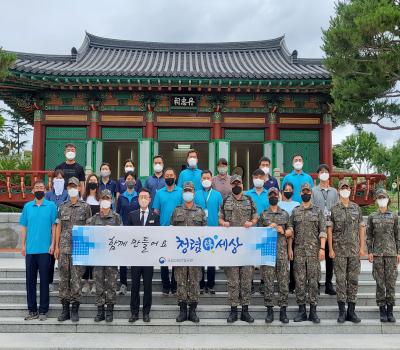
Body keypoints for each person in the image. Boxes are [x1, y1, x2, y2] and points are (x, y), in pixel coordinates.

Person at [219, 174, 258, 323]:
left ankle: (245, 311)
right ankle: (234, 310)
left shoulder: (249, 200)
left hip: (247, 247)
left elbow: (256, 216)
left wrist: (252, 222)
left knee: (246, 280)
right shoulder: (226, 201)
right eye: (234, 183)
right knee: (233, 280)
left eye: (239, 183)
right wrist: (223, 223)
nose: (236, 185)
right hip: (232, 249)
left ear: (242, 184)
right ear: (231, 185)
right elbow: (220, 217)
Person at [54, 177, 92, 323]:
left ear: (79, 188)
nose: (72, 189)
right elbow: (58, 227)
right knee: (64, 279)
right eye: (69, 186)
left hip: (79, 248)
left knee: (76, 279)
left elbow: (89, 228)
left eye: (74, 186)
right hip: (63, 248)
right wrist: (56, 246)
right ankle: (65, 309)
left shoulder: (85, 207)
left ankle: (75, 308)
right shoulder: (62, 206)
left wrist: (87, 248)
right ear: (67, 189)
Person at [328, 179, 365, 323]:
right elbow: (329, 230)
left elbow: (361, 228)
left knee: (353, 280)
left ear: (350, 190)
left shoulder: (356, 208)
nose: (345, 190)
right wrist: (330, 248)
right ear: (338, 190)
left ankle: (352, 311)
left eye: (347, 187)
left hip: (354, 250)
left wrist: (362, 248)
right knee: (341, 281)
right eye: (342, 187)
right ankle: (342, 311)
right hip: (339, 251)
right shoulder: (334, 209)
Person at [288, 183, 326, 324]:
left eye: (307, 191)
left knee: (314, 282)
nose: (305, 193)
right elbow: (291, 231)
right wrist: (290, 249)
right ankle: (302, 311)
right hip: (298, 252)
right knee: (300, 282)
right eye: (303, 191)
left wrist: (322, 249)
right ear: (300, 193)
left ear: (311, 193)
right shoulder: (295, 211)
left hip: (313, 253)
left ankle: (313, 312)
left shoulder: (318, 211)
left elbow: (322, 231)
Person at [20, 180, 57, 321]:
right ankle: (32, 310)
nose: (39, 189)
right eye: (37, 187)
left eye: (41, 187)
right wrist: (23, 245)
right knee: (30, 281)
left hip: (45, 250)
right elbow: (24, 227)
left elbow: (54, 227)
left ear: (45, 190)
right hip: (30, 250)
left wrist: (53, 244)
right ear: (33, 190)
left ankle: (43, 310)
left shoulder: (51, 206)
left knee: (44, 281)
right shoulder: (27, 206)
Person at [171, 181, 207, 323]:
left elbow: (205, 232)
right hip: (180, 254)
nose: (188, 193)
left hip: (195, 254)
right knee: (180, 280)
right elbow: (171, 230)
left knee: (194, 281)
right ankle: (182, 310)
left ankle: (192, 310)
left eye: (190, 191)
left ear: (193, 193)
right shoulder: (176, 211)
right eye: (185, 190)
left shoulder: (200, 211)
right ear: (183, 193)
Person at [87, 189, 122, 323]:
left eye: (108, 198)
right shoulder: (93, 219)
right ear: (100, 201)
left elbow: (122, 236)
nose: (106, 200)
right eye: (103, 198)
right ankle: (100, 310)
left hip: (112, 257)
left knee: (111, 284)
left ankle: (109, 310)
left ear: (111, 200)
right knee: (99, 283)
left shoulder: (117, 217)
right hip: (98, 257)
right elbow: (87, 235)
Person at [258, 187, 291, 323]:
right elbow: (258, 234)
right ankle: (270, 310)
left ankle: (283, 310)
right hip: (268, 253)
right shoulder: (264, 214)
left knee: (283, 282)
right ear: (268, 197)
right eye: (271, 195)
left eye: (275, 195)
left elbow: (291, 232)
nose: (273, 197)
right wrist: (267, 228)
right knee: (269, 283)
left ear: (279, 196)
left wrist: (282, 230)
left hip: (282, 253)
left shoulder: (284, 214)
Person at [367, 189, 400, 323]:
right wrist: (370, 251)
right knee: (380, 283)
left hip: (391, 254)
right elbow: (369, 236)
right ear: (376, 200)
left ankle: (390, 310)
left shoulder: (394, 216)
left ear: (388, 199)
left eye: (384, 197)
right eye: (379, 198)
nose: (382, 200)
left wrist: (399, 252)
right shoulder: (372, 216)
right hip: (378, 254)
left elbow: (398, 235)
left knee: (391, 283)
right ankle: (382, 309)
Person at [127, 188, 160, 323]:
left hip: (148, 258)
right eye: (141, 197)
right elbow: (127, 235)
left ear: (150, 199)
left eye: (146, 197)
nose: (143, 199)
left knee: (147, 286)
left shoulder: (155, 216)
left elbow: (157, 236)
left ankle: (146, 312)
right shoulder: (132, 215)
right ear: (138, 199)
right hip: (135, 257)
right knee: (134, 286)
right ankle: (134, 313)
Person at [152, 167, 182, 295]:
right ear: (164, 178)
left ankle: (174, 285)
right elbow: (156, 211)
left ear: (175, 177)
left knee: (176, 259)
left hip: (178, 230)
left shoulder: (181, 191)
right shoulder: (159, 193)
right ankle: (165, 286)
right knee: (163, 259)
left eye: (171, 175)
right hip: (163, 230)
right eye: (167, 175)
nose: (169, 177)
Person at [311, 164, 339, 296]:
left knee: (330, 256)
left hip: (331, 228)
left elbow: (338, 208)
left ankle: (329, 283)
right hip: (317, 228)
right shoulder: (313, 191)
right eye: (321, 171)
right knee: (316, 256)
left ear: (329, 174)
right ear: (318, 175)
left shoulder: (334, 191)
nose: (324, 173)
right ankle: (315, 283)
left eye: (326, 171)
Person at [194, 170, 223, 294]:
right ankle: (200, 285)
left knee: (211, 259)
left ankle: (211, 285)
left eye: (208, 178)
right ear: (201, 180)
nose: (206, 180)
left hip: (213, 230)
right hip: (199, 231)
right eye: (204, 178)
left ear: (212, 180)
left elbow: (221, 213)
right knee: (200, 259)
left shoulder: (217, 195)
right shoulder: (196, 194)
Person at [116, 171, 140, 296]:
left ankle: (136, 283)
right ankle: (123, 284)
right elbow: (117, 214)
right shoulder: (121, 197)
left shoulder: (139, 196)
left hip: (136, 233)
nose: (130, 180)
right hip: (124, 232)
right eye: (128, 178)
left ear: (135, 182)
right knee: (123, 259)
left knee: (136, 259)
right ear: (125, 182)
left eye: (132, 178)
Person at [45, 169, 69, 292]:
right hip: (51, 229)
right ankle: (49, 281)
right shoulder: (49, 195)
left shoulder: (67, 194)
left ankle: (64, 282)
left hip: (64, 229)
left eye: (61, 178)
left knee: (64, 259)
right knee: (50, 258)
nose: (59, 180)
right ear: (53, 180)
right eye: (57, 178)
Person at [278, 182, 300, 294]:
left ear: (293, 191)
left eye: (289, 189)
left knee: (293, 261)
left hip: (294, 235)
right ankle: (282, 283)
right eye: (285, 189)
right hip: (281, 235)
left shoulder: (297, 204)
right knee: (282, 262)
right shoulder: (279, 204)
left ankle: (292, 284)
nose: (287, 191)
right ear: (282, 191)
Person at [81, 174, 101, 295]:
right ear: (88, 183)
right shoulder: (83, 198)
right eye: (91, 180)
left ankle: (94, 283)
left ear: (98, 183)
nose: (93, 182)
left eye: (95, 180)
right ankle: (86, 283)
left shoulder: (100, 199)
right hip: (85, 231)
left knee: (95, 259)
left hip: (97, 232)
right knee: (86, 259)